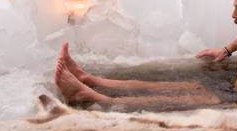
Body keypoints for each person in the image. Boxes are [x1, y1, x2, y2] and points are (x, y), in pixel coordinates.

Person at [54, 42, 220, 110]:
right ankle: (89, 79)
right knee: (193, 87)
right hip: (234, 88)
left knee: (205, 99)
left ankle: (96, 97)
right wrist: (227, 50)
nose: (234, 14)